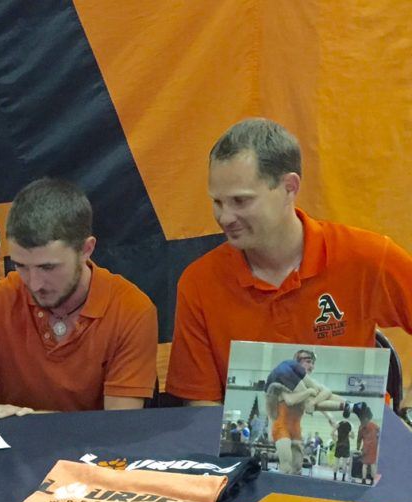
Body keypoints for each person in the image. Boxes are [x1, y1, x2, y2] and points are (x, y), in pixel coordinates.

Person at [166, 118, 412, 404]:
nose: (225, 218)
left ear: (289, 187)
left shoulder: (366, 256)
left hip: (362, 438)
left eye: (240, 201)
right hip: (245, 444)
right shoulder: (199, 283)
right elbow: (201, 407)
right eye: (217, 202)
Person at [0, 178, 158, 431]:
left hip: (91, 459)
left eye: (47, 267)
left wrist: (36, 421)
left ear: (86, 249)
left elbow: (120, 426)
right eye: (21, 266)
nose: (35, 283)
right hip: (12, 455)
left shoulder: (132, 310)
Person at [265, 350, 351, 416]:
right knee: (309, 400)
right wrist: (310, 395)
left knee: (311, 399)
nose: (312, 367)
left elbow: (327, 392)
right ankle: (348, 405)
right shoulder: (293, 372)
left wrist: (313, 402)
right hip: (277, 401)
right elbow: (290, 401)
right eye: (308, 362)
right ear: (297, 363)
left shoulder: (294, 376)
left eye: (312, 363)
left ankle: (348, 404)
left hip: (273, 389)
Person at [354, 402, 379, 485]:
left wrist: (358, 447)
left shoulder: (361, 427)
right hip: (374, 447)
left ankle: (363, 480)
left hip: (365, 447)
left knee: (364, 464)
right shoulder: (375, 426)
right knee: (372, 464)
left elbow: (359, 439)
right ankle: (372, 480)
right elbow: (379, 435)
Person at [325, 413, 353, 482]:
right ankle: (343, 478)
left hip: (339, 444)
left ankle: (335, 477)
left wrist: (335, 439)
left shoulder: (338, 424)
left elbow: (331, 433)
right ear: (349, 417)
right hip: (346, 444)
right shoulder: (350, 425)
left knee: (336, 462)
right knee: (344, 463)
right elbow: (353, 436)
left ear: (342, 415)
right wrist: (348, 435)